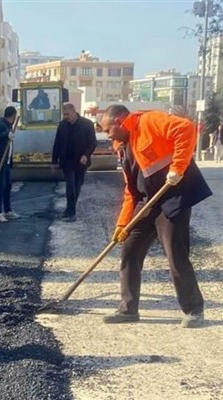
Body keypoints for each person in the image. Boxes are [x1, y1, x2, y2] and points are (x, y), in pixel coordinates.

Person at [99, 105, 212, 328]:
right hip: (146, 203)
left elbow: (186, 128)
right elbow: (131, 190)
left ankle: (194, 310)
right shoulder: (122, 147)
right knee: (130, 250)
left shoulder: (149, 121)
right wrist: (123, 224)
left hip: (172, 197)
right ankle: (128, 309)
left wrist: (178, 168)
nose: (107, 135)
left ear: (120, 121)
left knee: (175, 254)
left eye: (107, 129)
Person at [51, 103, 97, 222]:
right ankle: (71, 212)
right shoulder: (62, 125)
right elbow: (57, 144)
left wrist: (86, 155)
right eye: (64, 114)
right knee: (70, 185)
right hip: (67, 160)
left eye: (68, 114)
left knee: (77, 185)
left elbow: (92, 142)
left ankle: (71, 209)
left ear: (74, 112)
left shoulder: (87, 124)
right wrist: (54, 161)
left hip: (81, 161)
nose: (66, 117)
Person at [0, 106, 20, 223]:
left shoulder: (8, 125)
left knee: (7, 186)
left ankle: (8, 210)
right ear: (13, 116)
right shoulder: (0, 124)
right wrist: (6, 135)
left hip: (5, 160)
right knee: (1, 186)